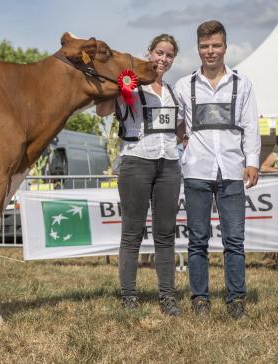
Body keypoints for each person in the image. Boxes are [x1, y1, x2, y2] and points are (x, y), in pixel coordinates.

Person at [174, 20, 260, 319]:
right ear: (198, 49)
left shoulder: (242, 83)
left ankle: (236, 299)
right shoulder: (184, 85)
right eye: (205, 46)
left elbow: (250, 125)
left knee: (234, 240)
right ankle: (200, 298)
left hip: (232, 170)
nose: (210, 51)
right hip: (197, 169)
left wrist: (251, 161)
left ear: (225, 46)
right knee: (197, 239)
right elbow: (177, 125)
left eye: (216, 45)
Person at [97, 34, 182, 316]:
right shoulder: (131, 86)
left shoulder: (171, 91)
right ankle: (129, 296)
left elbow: (178, 130)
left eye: (169, 55)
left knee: (165, 233)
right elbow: (102, 111)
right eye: (159, 52)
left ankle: (168, 296)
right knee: (132, 233)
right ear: (149, 52)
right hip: (136, 161)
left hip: (169, 163)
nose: (163, 59)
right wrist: (118, 86)